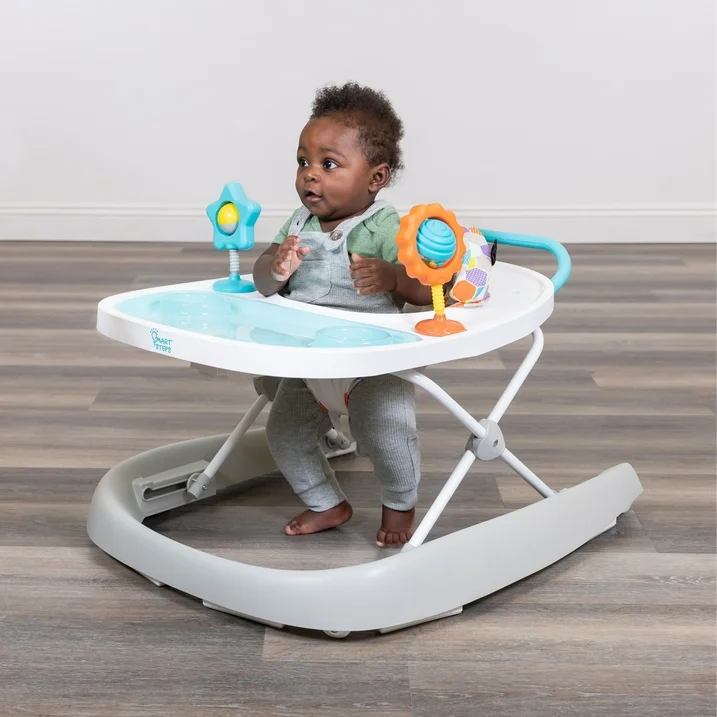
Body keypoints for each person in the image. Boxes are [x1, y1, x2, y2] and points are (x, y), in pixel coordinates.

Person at [253, 82, 432, 547]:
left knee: (388, 436)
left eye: (328, 164)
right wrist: (276, 268)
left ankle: (400, 508)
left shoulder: (383, 227)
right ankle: (326, 503)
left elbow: (424, 290)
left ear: (375, 177)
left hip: (371, 365)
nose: (310, 175)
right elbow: (262, 281)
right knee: (284, 434)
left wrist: (392, 276)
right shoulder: (298, 223)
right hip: (309, 362)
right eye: (303, 162)